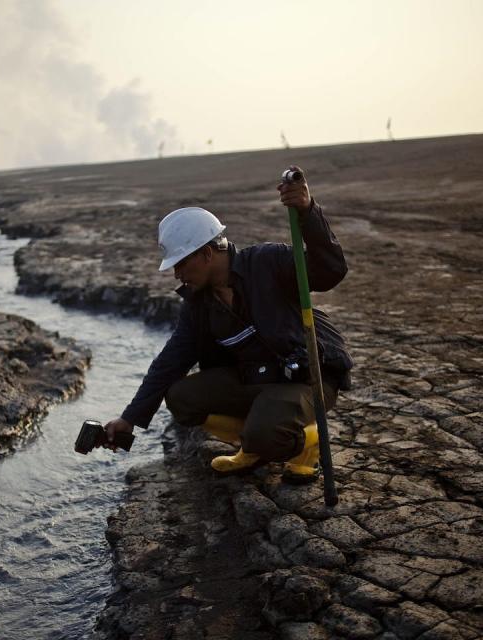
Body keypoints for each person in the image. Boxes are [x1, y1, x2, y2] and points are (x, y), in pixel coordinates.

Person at [102, 167, 353, 484]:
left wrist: (307, 212)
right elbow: (170, 361)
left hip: (307, 377)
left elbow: (330, 271)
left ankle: (305, 444)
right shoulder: (200, 304)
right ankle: (255, 445)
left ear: (206, 253)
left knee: (265, 433)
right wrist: (130, 419)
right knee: (182, 397)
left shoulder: (267, 262)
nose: (176, 274)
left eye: (180, 263)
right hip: (257, 380)